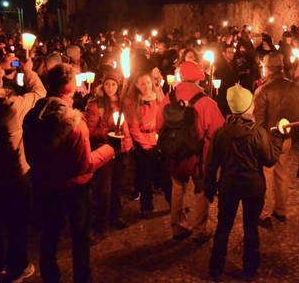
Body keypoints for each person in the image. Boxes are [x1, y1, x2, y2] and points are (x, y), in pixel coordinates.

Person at [23, 64, 125, 283]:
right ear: (69, 87)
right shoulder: (74, 122)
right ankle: (82, 282)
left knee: (49, 237)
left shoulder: (33, 116)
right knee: (80, 237)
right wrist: (110, 148)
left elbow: (30, 155)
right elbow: (85, 164)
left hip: (45, 188)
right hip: (75, 190)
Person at [0, 59, 46, 283]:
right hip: (15, 175)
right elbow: (39, 92)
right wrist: (28, 70)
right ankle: (17, 268)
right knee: (17, 223)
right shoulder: (11, 107)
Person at [205, 84, 282, 281]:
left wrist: (209, 188)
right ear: (248, 107)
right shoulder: (258, 133)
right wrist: (278, 138)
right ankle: (250, 270)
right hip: (253, 187)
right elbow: (270, 159)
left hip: (229, 186)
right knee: (251, 227)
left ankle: (216, 269)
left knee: (223, 226)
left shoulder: (220, 134)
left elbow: (212, 164)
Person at [156, 61, 224, 242]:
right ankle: (199, 230)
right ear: (198, 79)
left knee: (178, 187)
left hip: (175, 153)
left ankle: (178, 226)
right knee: (201, 190)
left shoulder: (168, 98)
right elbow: (218, 132)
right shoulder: (206, 102)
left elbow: (158, 124)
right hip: (199, 156)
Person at [85, 70, 133, 242]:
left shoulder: (122, 103)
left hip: (121, 149)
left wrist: (127, 142)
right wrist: (107, 132)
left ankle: (115, 215)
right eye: (107, 84)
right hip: (104, 149)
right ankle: (100, 225)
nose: (110, 87)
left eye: (114, 84)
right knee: (103, 189)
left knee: (117, 185)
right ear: (102, 85)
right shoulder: (96, 104)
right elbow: (90, 131)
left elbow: (127, 124)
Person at [252, 52, 298, 228]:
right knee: (281, 173)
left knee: (266, 175)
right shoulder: (292, 87)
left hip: (268, 140)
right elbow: (295, 113)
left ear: (267, 68)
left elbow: (259, 120)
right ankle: (281, 209)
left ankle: (263, 213)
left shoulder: (263, 90)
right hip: (286, 137)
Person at [125, 71, 170, 218]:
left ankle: (174, 203)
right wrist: (145, 144)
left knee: (165, 175)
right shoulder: (135, 103)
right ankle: (146, 206)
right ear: (137, 85)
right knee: (145, 177)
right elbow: (134, 127)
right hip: (143, 143)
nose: (146, 86)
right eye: (142, 83)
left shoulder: (157, 99)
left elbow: (165, 116)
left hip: (158, 141)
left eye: (148, 83)